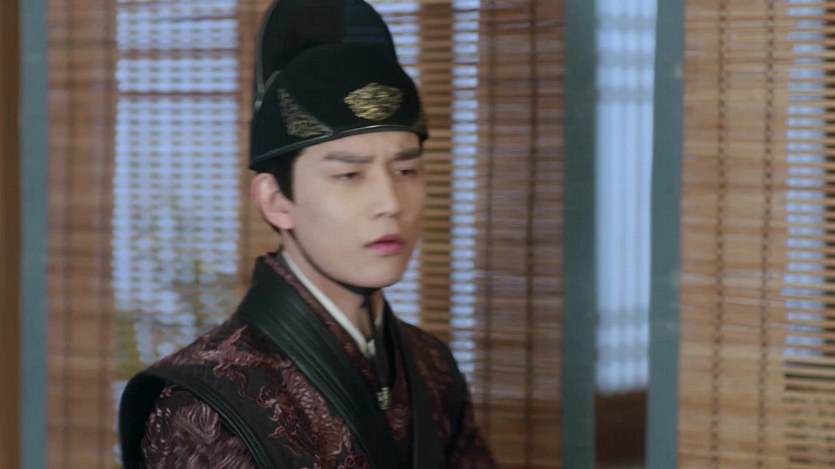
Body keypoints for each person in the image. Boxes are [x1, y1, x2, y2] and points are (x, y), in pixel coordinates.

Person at [118, 0, 496, 467]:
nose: (391, 202)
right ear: (277, 200)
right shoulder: (203, 404)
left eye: (406, 170)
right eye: (349, 175)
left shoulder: (432, 367)